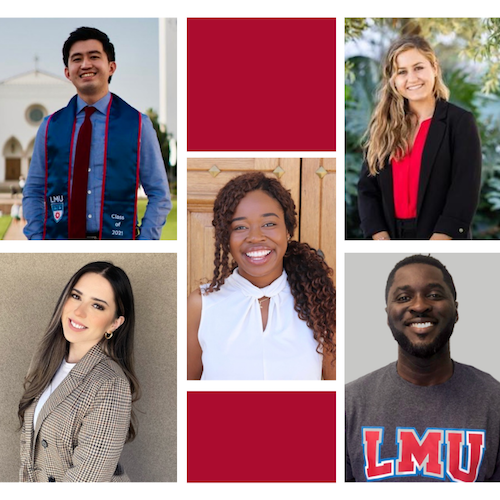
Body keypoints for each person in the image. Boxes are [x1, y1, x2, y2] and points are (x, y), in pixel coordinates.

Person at [345, 255, 500, 482]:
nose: (419, 306)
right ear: (388, 315)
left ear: (456, 311)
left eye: (434, 295)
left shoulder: (493, 401)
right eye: (404, 297)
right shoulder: (349, 405)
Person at [22, 27, 171, 240]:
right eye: (77, 59)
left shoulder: (138, 124)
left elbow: (159, 194)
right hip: (60, 242)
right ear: (67, 72)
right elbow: (34, 190)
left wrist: (145, 242)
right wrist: (37, 240)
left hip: (119, 243)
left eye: (94, 56)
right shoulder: (50, 126)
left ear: (111, 67)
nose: (85, 65)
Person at [187, 172, 336, 380]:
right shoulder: (200, 306)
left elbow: (337, 397)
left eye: (269, 224)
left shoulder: (321, 305)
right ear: (225, 238)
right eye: (240, 227)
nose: (255, 237)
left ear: (288, 231)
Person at [18, 261, 139, 482]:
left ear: (114, 323)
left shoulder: (109, 383)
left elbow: (86, 481)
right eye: (76, 296)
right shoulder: (45, 364)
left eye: (97, 306)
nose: (79, 312)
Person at [357, 36, 481, 240]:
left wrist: (439, 241)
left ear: (434, 68)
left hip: (442, 239)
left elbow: (465, 189)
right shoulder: (383, 125)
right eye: (402, 72)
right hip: (389, 239)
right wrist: (380, 239)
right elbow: (367, 189)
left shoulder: (459, 122)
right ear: (393, 79)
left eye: (419, 67)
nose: (412, 78)